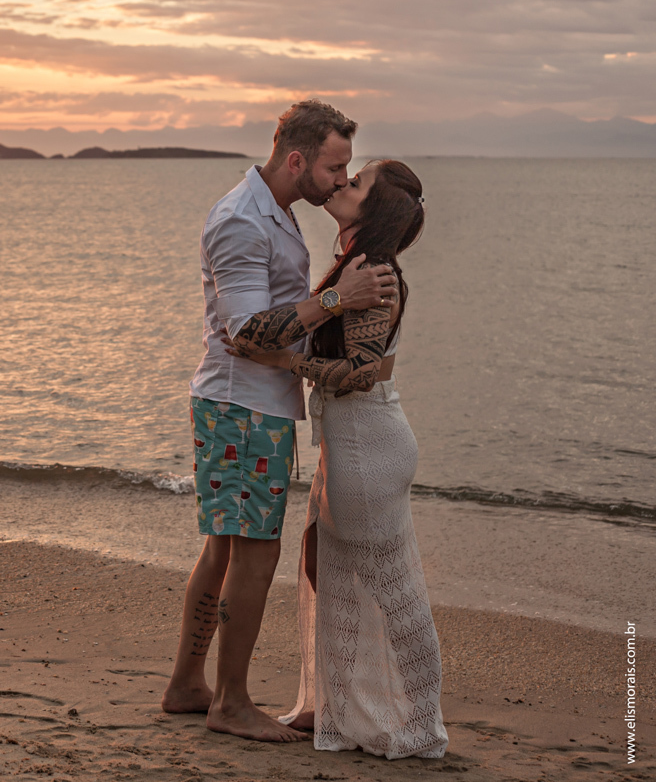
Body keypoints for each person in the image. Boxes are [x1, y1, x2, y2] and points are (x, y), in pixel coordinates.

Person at [161, 100, 399, 742]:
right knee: (255, 553)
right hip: (243, 408)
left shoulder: (274, 212)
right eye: (333, 166)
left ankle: (188, 684)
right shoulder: (243, 221)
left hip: (246, 405)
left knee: (222, 547)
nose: (340, 179)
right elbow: (246, 330)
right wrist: (335, 300)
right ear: (296, 160)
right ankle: (231, 702)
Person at [224, 159, 449, 758]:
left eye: (358, 182)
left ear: (375, 210)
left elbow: (359, 374)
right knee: (327, 568)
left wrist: (280, 363)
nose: (344, 184)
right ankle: (336, 705)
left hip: (369, 445)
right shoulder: (354, 268)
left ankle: (422, 720)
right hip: (351, 445)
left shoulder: (373, 274)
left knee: (388, 587)